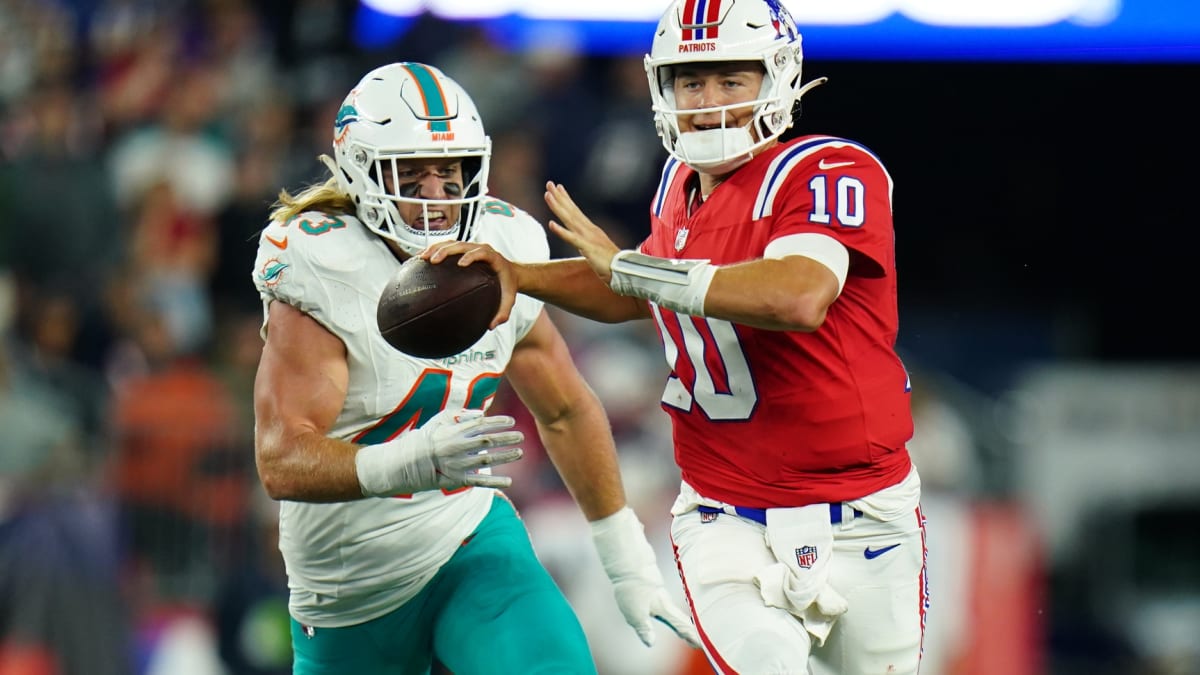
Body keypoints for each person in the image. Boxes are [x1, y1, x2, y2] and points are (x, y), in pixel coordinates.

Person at [424, 1, 928, 673]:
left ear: (777, 77)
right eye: (693, 81)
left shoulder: (829, 170)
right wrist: (520, 274)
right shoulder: (678, 185)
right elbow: (634, 288)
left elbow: (797, 294)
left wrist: (635, 266)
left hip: (866, 513)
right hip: (728, 516)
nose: (709, 100)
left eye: (731, 79)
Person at [250, 62, 699, 675]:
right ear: (360, 170)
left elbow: (565, 406)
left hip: (468, 540)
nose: (436, 195)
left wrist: (623, 555)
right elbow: (281, 457)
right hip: (349, 590)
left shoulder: (499, 249)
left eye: (449, 170)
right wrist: (409, 461)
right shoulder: (321, 261)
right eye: (413, 172)